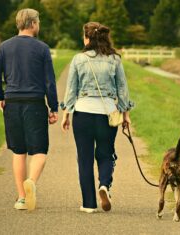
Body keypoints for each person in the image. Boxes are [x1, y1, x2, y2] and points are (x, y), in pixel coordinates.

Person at [60, 22, 134, 213]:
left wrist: (66, 114)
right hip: (108, 113)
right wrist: (125, 114)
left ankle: (88, 204)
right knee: (106, 153)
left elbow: (71, 90)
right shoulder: (115, 60)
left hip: (83, 113)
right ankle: (104, 185)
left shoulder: (78, 59)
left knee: (84, 159)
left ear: (87, 38)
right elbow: (123, 90)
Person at [0, 8, 58, 211]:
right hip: (34, 103)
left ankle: (21, 198)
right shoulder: (42, 48)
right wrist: (53, 107)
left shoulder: (4, 47)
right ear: (32, 24)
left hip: (12, 102)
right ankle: (31, 182)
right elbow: (49, 82)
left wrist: (0, 97)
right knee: (39, 151)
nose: (39, 26)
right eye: (38, 22)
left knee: (19, 151)